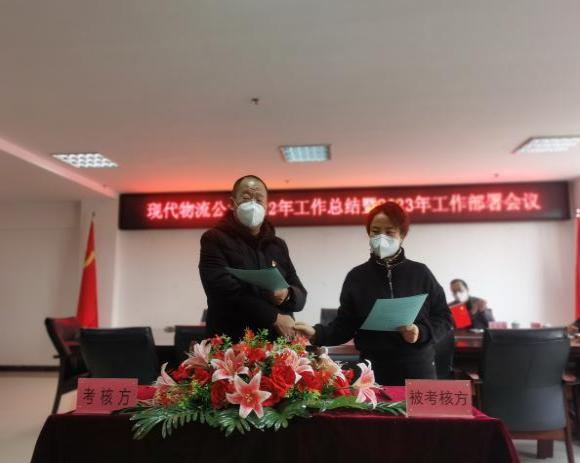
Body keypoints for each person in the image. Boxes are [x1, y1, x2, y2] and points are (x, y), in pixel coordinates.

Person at [294, 201, 452, 385]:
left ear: (402, 235)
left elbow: (443, 317)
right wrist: (315, 333)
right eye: (375, 232)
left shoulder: (420, 273)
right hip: (373, 369)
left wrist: (420, 332)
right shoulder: (357, 277)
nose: (381, 238)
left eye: (389, 232)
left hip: (418, 368)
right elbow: (344, 326)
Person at [199, 175, 307, 341]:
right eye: (246, 197)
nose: (253, 204)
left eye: (259, 199)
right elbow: (223, 291)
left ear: (267, 205)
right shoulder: (214, 239)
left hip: (276, 345)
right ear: (232, 203)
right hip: (232, 343)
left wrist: (287, 294)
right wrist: (274, 317)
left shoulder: (277, 245)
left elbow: (301, 294)